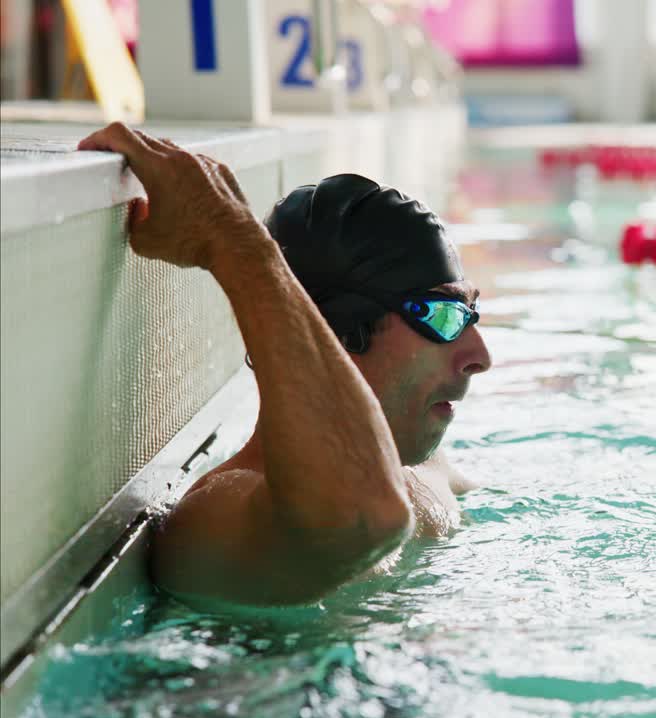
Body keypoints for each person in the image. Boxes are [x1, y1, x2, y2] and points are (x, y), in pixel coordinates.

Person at [76, 123, 492, 608]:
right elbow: (363, 520)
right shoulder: (215, 521)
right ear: (335, 331)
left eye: (470, 315)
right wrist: (230, 241)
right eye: (442, 315)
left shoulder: (423, 468)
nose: (480, 356)